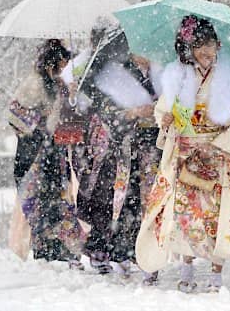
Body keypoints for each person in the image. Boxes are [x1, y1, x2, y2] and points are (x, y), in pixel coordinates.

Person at [135, 15, 230, 292]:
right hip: (187, 152)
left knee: (216, 215)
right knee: (186, 213)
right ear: (190, 47)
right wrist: (166, 120)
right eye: (199, 45)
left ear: (217, 46)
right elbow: (164, 108)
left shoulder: (228, 76)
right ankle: (186, 270)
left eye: (210, 44)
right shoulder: (179, 74)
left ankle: (215, 275)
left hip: (217, 151)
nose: (205, 51)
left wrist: (216, 143)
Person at [76, 22, 163, 277]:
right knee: (121, 201)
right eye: (140, 49)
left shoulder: (162, 74)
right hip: (124, 147)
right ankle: (119, 251)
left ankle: (147, 253)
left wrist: (161, 110)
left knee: (150, 199)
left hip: (155, 143)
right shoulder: (116, 74)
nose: (145, 55)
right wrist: (134, 112)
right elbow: (106, 112)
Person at [8, 39, 86, 268]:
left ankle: (61, 248)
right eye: (62, 62)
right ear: (52, 62)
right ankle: (46, 249)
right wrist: (41, 118)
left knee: (58, 201)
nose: (65, 67)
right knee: (40, 202)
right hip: (34, 153)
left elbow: (67, 116)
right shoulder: (34, 83)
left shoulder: (59, 84)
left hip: (54, 151)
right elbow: (14, 114)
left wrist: (71, 95)